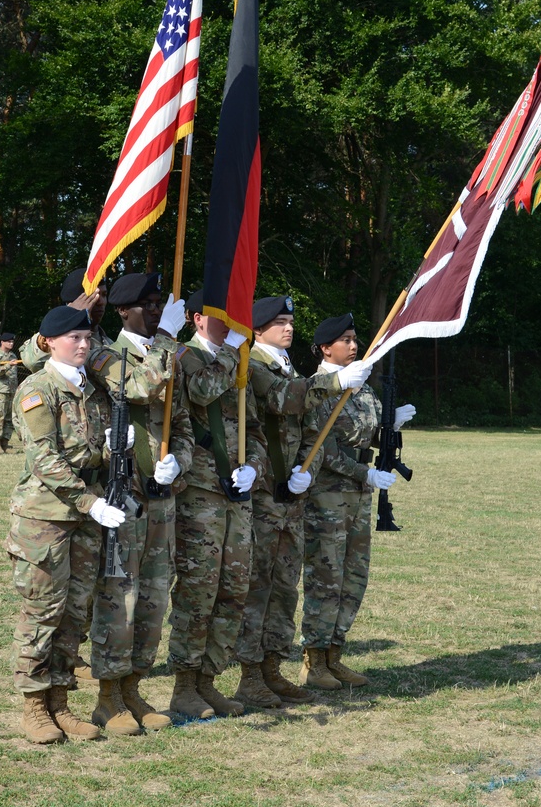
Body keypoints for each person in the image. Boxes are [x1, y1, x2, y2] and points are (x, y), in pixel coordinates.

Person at [233, 296, 369, 707]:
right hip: (263, 495)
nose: (289, 328)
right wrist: (334, 382)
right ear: (257, 330)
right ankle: (251, 676)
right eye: (279, 322)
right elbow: (282, 398)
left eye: (291, 321)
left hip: (291, 495)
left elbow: (311, 424)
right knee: (258, 587)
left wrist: (307, 466)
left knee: (284, 588)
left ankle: (273, 669)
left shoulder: (286, 364)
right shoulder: (252, 364)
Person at [3, 305, 124, 744]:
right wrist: (90, 501)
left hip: (84, 519)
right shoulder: (38, 389)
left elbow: (90, 453)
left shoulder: (92, 390)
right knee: (43, 612)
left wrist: (115, 451)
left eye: (88, 338)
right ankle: (34, 706)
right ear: (50, 341)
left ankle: (60, 703)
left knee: (74, 615)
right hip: (45, 519)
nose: (83, 345)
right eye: (74, 338)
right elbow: (44, 458)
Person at [85, 273, 193, 731]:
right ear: (123, 311)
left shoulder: (169, 357)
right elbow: (140, 388)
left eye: (158, 305)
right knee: (119, 596)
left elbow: (182, 421)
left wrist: (179, 462)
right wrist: (168, 336)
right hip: (123, 497)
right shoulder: (106, 354)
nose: (154, 311)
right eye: (146, 305)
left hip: (161, 497)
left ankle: (134, 687)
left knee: (153, 596)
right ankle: (108, 695)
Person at [166, 290, 268, 719]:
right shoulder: (184, 358)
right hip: (200, 494)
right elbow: (202, 391)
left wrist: (255, 469)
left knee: (234, 590)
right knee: (198, 590)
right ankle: (184, 684)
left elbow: (257, 431)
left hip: (236, 495)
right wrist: (230, 352)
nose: (230, 321)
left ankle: (209, 681)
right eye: (219, 314)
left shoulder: (239, 362)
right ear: (195, 318)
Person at [299, 313, 415, 690]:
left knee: (354, 577)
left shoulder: (362, 386)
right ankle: (313, 661)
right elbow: (323, 449)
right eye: (345, 340)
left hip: (359, 497)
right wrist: (364, 473)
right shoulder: (318, 387)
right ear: (324, 348)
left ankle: (335, 654)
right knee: (326, 578)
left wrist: (389, 428)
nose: (353, 345)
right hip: (329, 495)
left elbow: (366, 437)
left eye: (354, 338)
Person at [0, 333, 21, 452]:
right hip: (0, 390)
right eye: (9, 342)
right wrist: (8, 365)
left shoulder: (13, 355)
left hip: (12, 390)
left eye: (12, 342)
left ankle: (5, 442)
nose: (11, 344)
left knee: (9, 418)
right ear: (2, 342)